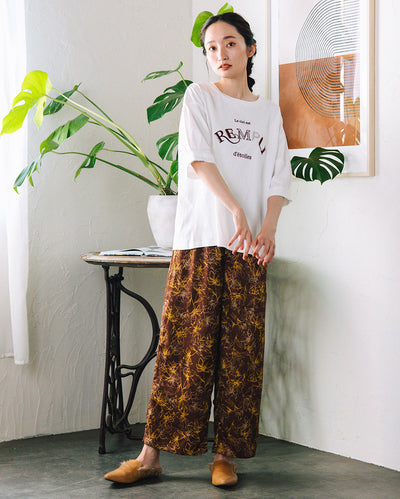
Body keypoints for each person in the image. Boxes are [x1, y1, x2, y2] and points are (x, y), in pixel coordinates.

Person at [104, 11, 291, 488]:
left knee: (241, 353)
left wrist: (267, 229)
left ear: (249, 48)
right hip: (201, 241)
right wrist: (236, 210)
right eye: (211, 47)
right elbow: (199, 160)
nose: (220, 54)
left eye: (230, 43)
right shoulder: (199, 98)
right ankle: (149, 457)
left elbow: (278, 177)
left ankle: (225, 457)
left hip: (249, 249)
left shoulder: (268, 113)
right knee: (183, 348)